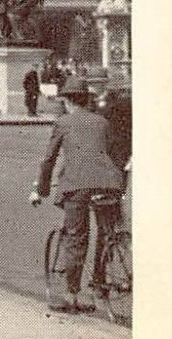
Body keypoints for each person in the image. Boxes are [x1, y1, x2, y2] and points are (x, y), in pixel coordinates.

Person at [30, 77, 129, 313]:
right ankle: (99, 283)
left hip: (78, 186)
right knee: (106, 234)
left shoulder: (63, 123)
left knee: (77, 237)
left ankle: (71, 296)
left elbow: (49, 160)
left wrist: (41, 189)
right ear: (87, 100)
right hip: (109, 185)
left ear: (66, 101)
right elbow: (112, 155)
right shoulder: (102, 122)